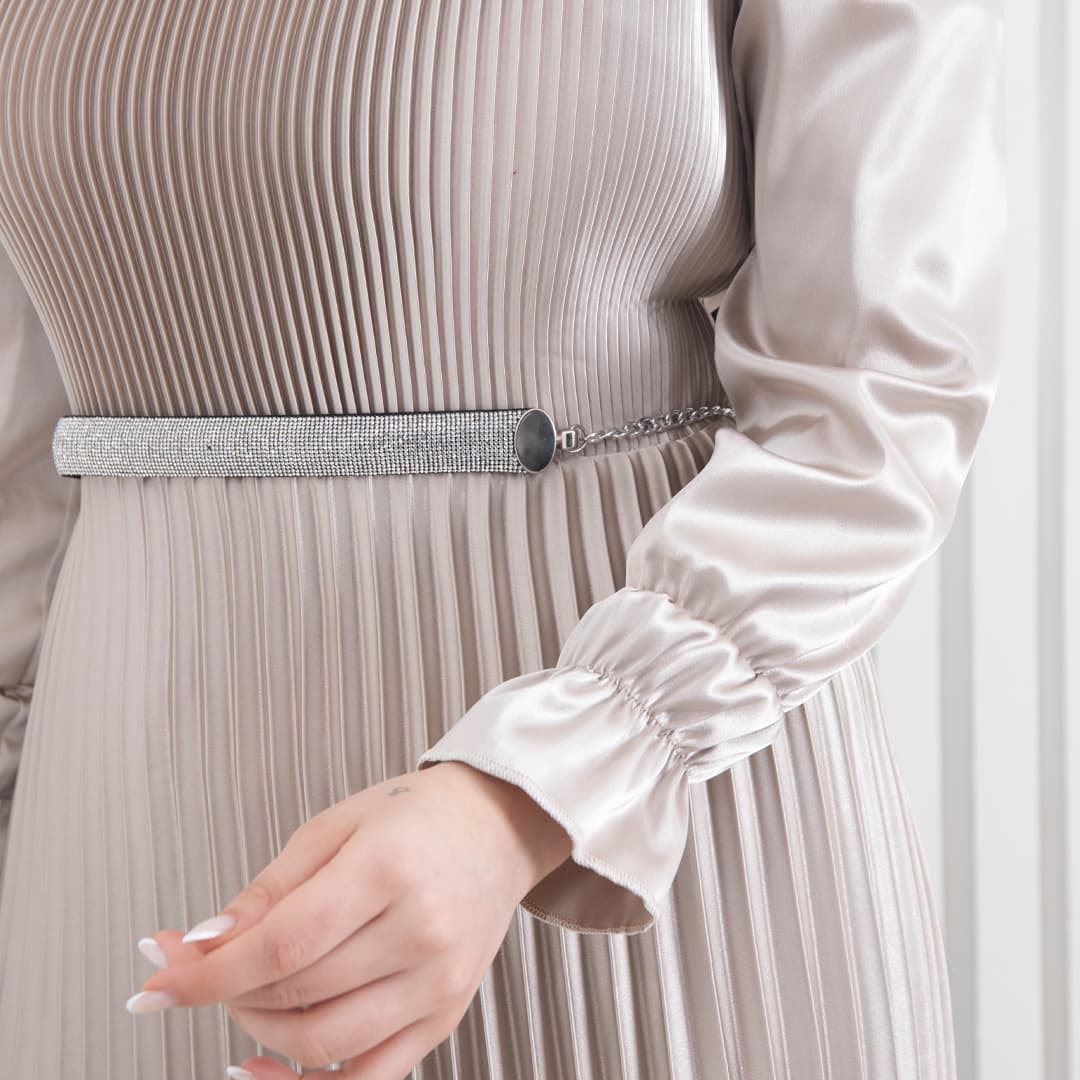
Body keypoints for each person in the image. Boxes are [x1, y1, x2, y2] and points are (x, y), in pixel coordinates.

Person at [0, 0, 1006, 1077]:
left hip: (626, 831)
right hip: (113, 832)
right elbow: (24, 462)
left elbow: (870, 401)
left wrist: (540, 784)